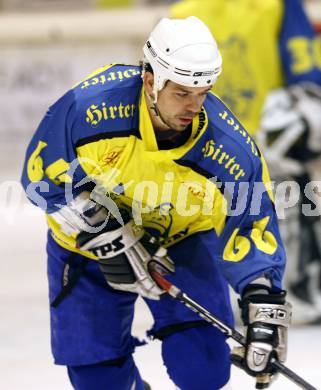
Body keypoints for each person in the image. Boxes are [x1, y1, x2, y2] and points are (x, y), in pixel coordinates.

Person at [21, 16, 291, 390]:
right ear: (150, 80)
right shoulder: (88, 109)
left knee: (204, 370)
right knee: (98, 381)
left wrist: (263, 311)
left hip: (179, 244)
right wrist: (103, 231)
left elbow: (253, 226)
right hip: (87, 250)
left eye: (203, 93)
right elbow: (40, 178)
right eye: (182, 93)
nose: (194, 107)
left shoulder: (230, 149)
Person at [171, 0, 321, 324]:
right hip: (267, 147)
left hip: (207, 149)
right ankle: (290, 292)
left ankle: (217, 296)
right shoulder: (278, 5)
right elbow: (307, 74)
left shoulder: (181, 14)